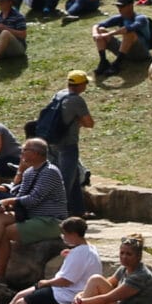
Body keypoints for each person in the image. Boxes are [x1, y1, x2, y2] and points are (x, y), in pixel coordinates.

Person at [0, 139, 70, 283]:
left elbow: (34, 199)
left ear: (35, 153)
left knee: (4, 232)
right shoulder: (29, 172)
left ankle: (0, 274)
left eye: (24, 150)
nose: (21, 153)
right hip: (32, 216)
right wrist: (5, 206)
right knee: (0, 217)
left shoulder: (50, 172)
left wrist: (8, 201)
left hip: (50, 221)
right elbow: (20, 197)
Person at [72, 234, 152, 304]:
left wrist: (80, 302)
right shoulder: (124, 268)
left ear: (138, 256)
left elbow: (107, 298)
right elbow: (106, 283)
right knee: (95, 279)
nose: (124, 257)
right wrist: (80, 295)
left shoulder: (139, 276)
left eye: (129, 254)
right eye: (122, 253)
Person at [44, 69, 96, 216]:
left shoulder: (59, 94)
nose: (86, 86)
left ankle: (78, 212)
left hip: (52, 142)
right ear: (80, 85)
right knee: (65, 181)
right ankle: (58, 215)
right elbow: (89, 123)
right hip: (68, 145)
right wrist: (79, 121)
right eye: (85, 83)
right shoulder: (76, 100)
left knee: (72, 179)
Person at [92, 0, 152, 75]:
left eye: (122, 6)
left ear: (130, 6)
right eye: (118, 6)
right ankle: (103, 61)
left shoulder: (141, 18)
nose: (119, 8)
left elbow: (128, 29)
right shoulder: (120, 17)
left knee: (129, 33)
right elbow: (97, 25)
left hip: (141, 53)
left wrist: (108, 34)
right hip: (126, 52)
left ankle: (117, 64)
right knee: (100, 30)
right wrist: (95, 34)